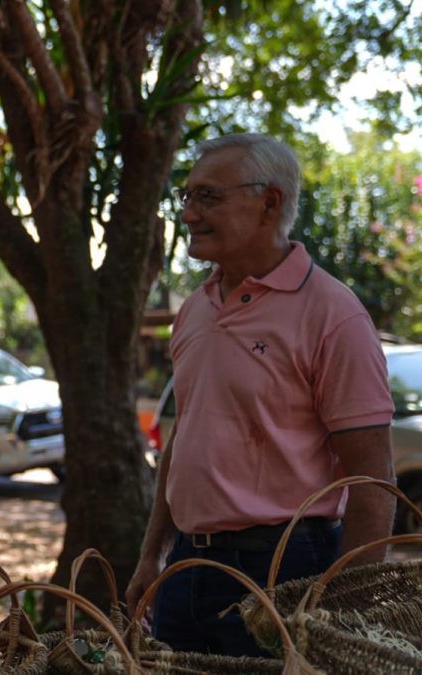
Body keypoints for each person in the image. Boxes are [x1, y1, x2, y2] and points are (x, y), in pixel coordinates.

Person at [124, 133, 396, 656]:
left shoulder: (333, 314)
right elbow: (183, 440)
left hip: (285, 570)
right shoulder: (195, 308)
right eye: (187, 198)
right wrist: (150, 556)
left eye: (208, 197)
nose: (188, 215)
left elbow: (373, 486)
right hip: (186, 568)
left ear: (269, 202)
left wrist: (344, 612)